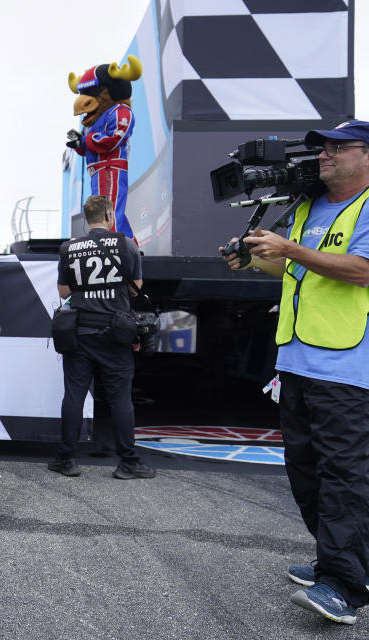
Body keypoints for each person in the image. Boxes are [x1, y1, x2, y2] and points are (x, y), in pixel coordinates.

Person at [221, 120, 369, 625]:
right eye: (321, 148)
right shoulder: (308, 206)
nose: (323, 155)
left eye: (336, 148)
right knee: (305, 472)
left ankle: (346, 586)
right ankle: (335, 561)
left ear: (366, 156)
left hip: (349, 366)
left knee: (345, 478)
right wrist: (258, 259)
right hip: (299, 359)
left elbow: (361, 269)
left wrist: (288, 249)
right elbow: (300, 270)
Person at [50, 195, 155, 480]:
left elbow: (63, 292)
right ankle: (128, 463)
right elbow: (136, 290)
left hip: (80, 332)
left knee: (74, 395)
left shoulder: (69, 248)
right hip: (116, 333)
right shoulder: (126, 244)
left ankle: (65, 459)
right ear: (110, 216)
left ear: (86, 218)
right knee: (120, 398)